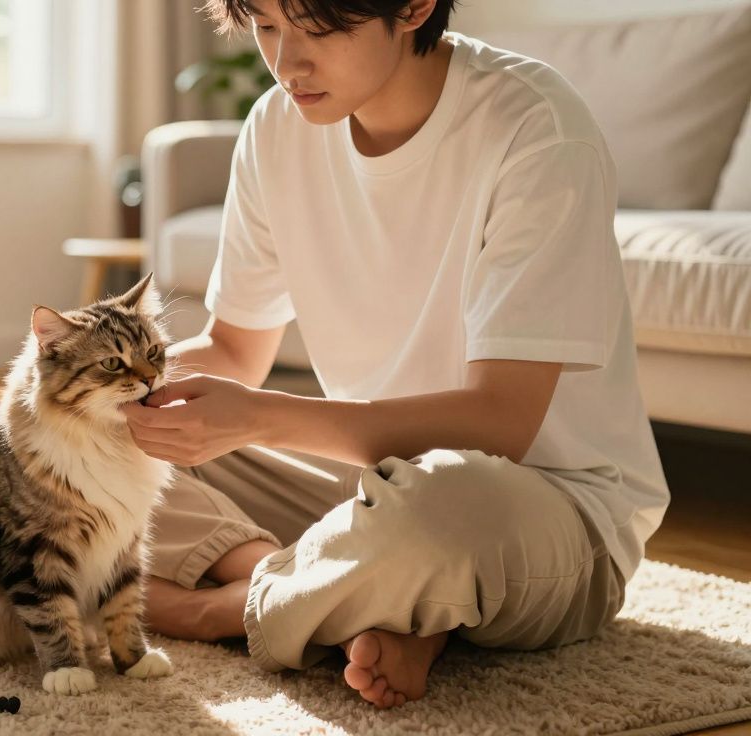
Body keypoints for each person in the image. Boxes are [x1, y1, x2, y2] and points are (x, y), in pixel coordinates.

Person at [119, 0, 670, 710]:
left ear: (412, 7)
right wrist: (91, 403)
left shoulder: (536, 128)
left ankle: (217, 609)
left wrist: (257, 418)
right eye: (265, 26)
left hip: (538, 506)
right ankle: (353, 597)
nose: (287, 64)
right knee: (94, 450)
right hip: (363, 485)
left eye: (318, 28)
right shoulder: (276, 129)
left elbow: (502, 423)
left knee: (435, 510)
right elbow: (233, 348)